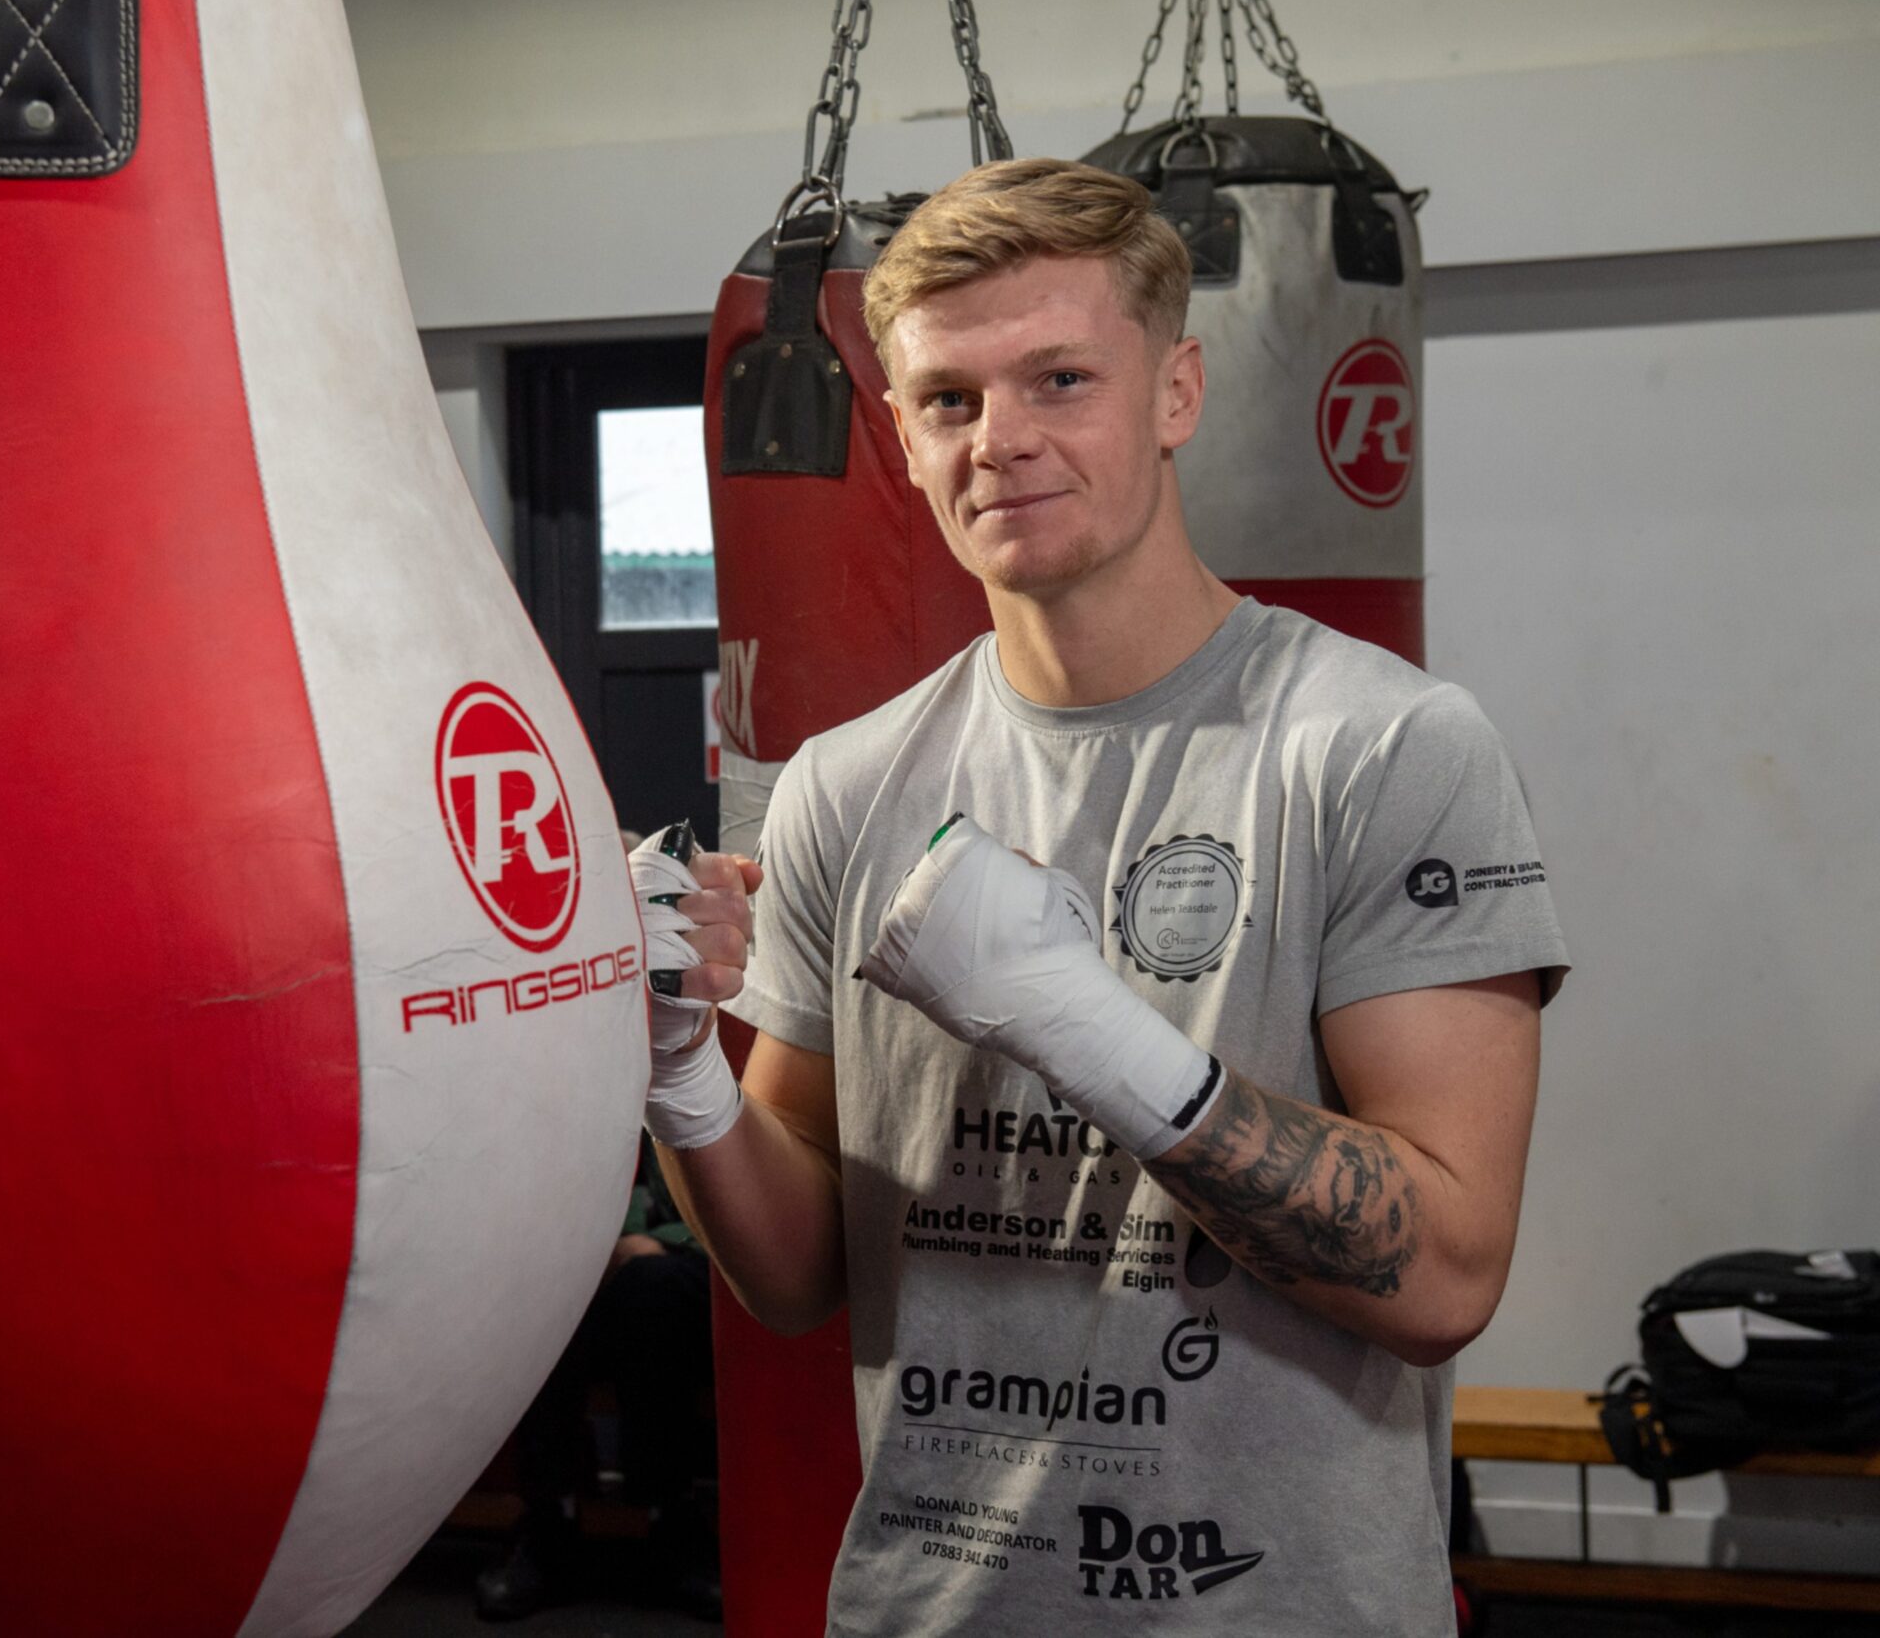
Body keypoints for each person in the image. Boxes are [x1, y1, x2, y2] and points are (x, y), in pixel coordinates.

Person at [631, 159, 1567, 1634]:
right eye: (949, 399)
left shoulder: (1383, 747)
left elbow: (1444, 1270)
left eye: (1060, 378)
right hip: (933, 1603)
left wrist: (1087, 1026)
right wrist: (682, 1076)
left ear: (1178, 392)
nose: (1002, 440)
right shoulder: (845, 786)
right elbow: (801, 1268)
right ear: (903, 435)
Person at [474, 1134, 718, 1623]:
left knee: (653, 1288)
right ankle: (549, 1521)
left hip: (671, 1277)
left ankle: (670, 1518)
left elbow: (731, 1204)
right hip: (579, 1279)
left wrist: (652, 1246)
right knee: (546, 1274)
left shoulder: (682, 1084)